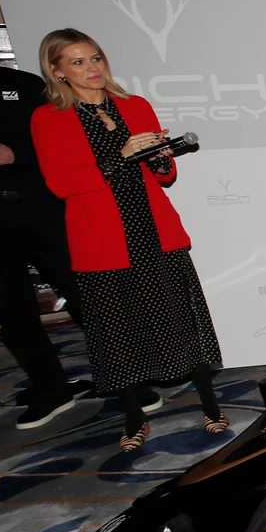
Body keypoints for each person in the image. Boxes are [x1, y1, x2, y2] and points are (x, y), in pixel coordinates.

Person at [30, 29, 225, 452]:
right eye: (77, 62)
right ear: (57, 70)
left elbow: (165, 177)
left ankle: (212, 406)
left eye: (95, 58)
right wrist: (120, 156)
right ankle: (134, 417)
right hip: (103, 241)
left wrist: (159, 157)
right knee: (119, 335)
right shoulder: (49, 118)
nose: (91, 68)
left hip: (155, 232)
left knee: (182, 324)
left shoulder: (135, 106)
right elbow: (61, 184)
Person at [0, 4, 92, 428]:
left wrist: (12, 155)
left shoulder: (26, 87)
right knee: (12, 311)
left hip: (41, 210)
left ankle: (127, 379)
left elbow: (67, 149)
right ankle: (51, 388)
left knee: (85, 295)